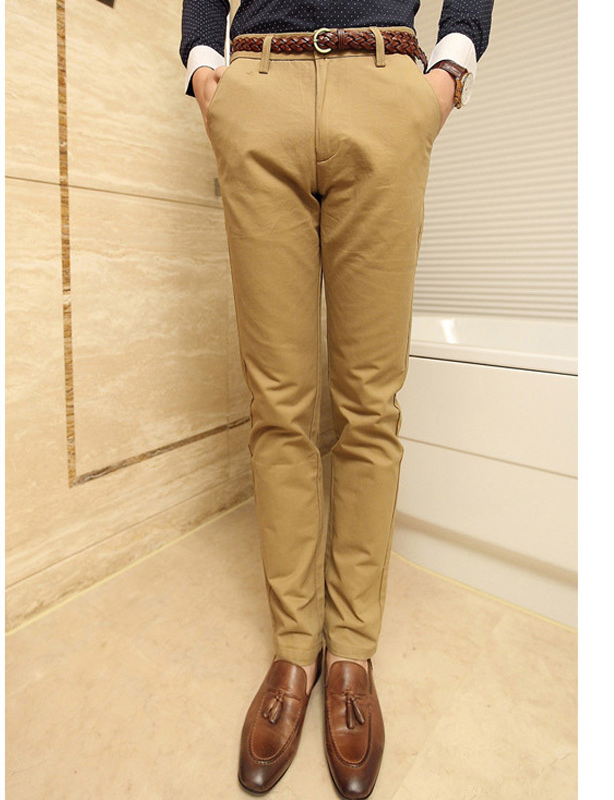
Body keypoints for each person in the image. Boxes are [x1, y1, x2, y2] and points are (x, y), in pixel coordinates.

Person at [179, 2, 494, 797]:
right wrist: (204, 65)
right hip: (257, 87)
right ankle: (296, 648)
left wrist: (448, 70)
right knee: (279, 405)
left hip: (385, 85)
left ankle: (350, 650)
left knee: (369, 406)